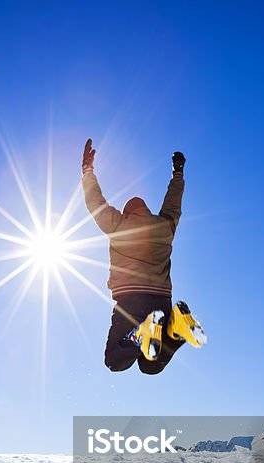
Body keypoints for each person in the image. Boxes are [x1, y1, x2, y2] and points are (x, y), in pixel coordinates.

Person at [81, 138, 206, 375]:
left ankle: (141, 333)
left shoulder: (118, 224)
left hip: (131, 301)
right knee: (149, 365)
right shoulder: (164, 226)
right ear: (146, 210)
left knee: (114, 360)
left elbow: (95, 202)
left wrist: (87, 170)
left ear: (126, 212)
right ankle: (175, 329)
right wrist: (177, 174)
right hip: (161, 300)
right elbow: (173, 205)